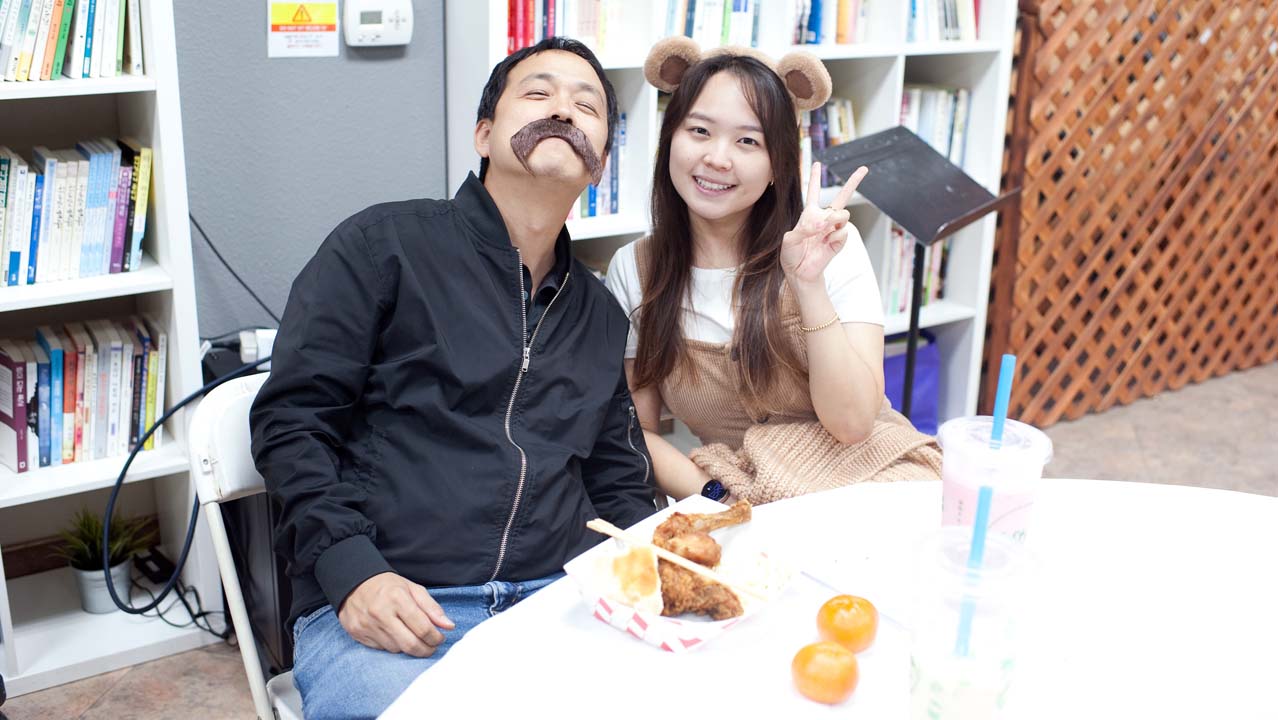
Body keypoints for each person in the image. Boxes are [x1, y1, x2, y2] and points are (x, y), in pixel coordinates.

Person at [250, 37, 656, 719]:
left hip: (556, 605)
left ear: (600, 163)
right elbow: (292, 424)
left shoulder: (598, 313)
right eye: (538, 92)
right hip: (396, 602)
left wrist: (657, 570)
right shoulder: (382, 247)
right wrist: (353, 571)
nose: (563, 109)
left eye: (587, 106)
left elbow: (617, 478)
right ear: (483, 134)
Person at [607, 38, 941, 506]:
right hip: (743, 495)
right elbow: (637, 431)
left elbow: (853, 425)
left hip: (872, 480)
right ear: (669, 141)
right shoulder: (636, 270)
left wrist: (809, 285)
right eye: (699, 130)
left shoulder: (832, 246)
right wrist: (716, 495)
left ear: (776, 166)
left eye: (748, 141)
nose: (717, 158)